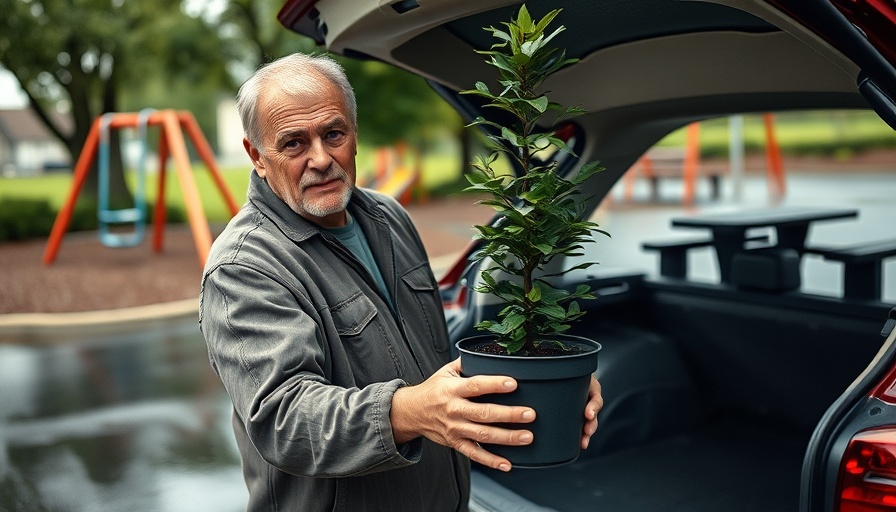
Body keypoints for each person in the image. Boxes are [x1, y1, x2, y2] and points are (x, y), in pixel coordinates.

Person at [199, 52, 604, 512]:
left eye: (333, 134)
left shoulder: (389, 218)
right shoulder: (245, 267)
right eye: (293, 143)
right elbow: (284, 421)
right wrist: (411, 412)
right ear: (257, 156)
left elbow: (429, 357)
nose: (320, 159)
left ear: (354, 135)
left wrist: (548, 377)